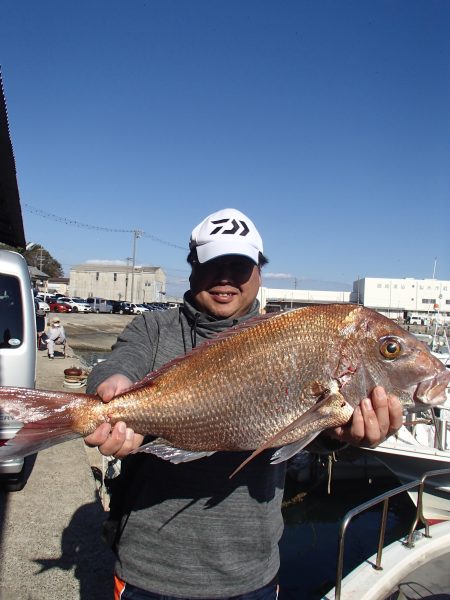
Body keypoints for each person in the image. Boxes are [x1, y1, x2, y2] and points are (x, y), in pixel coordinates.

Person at [85, 208, 403, 600]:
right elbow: (118, 366)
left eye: (240, 266)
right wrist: (108, 392)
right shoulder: (154, 329)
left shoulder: (287, 335)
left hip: (250, 576)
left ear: (259, 273)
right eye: (214, 263)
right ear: (191, 268)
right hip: (149, 571)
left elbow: (302, 430)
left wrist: (339, 435)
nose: (226, 278)